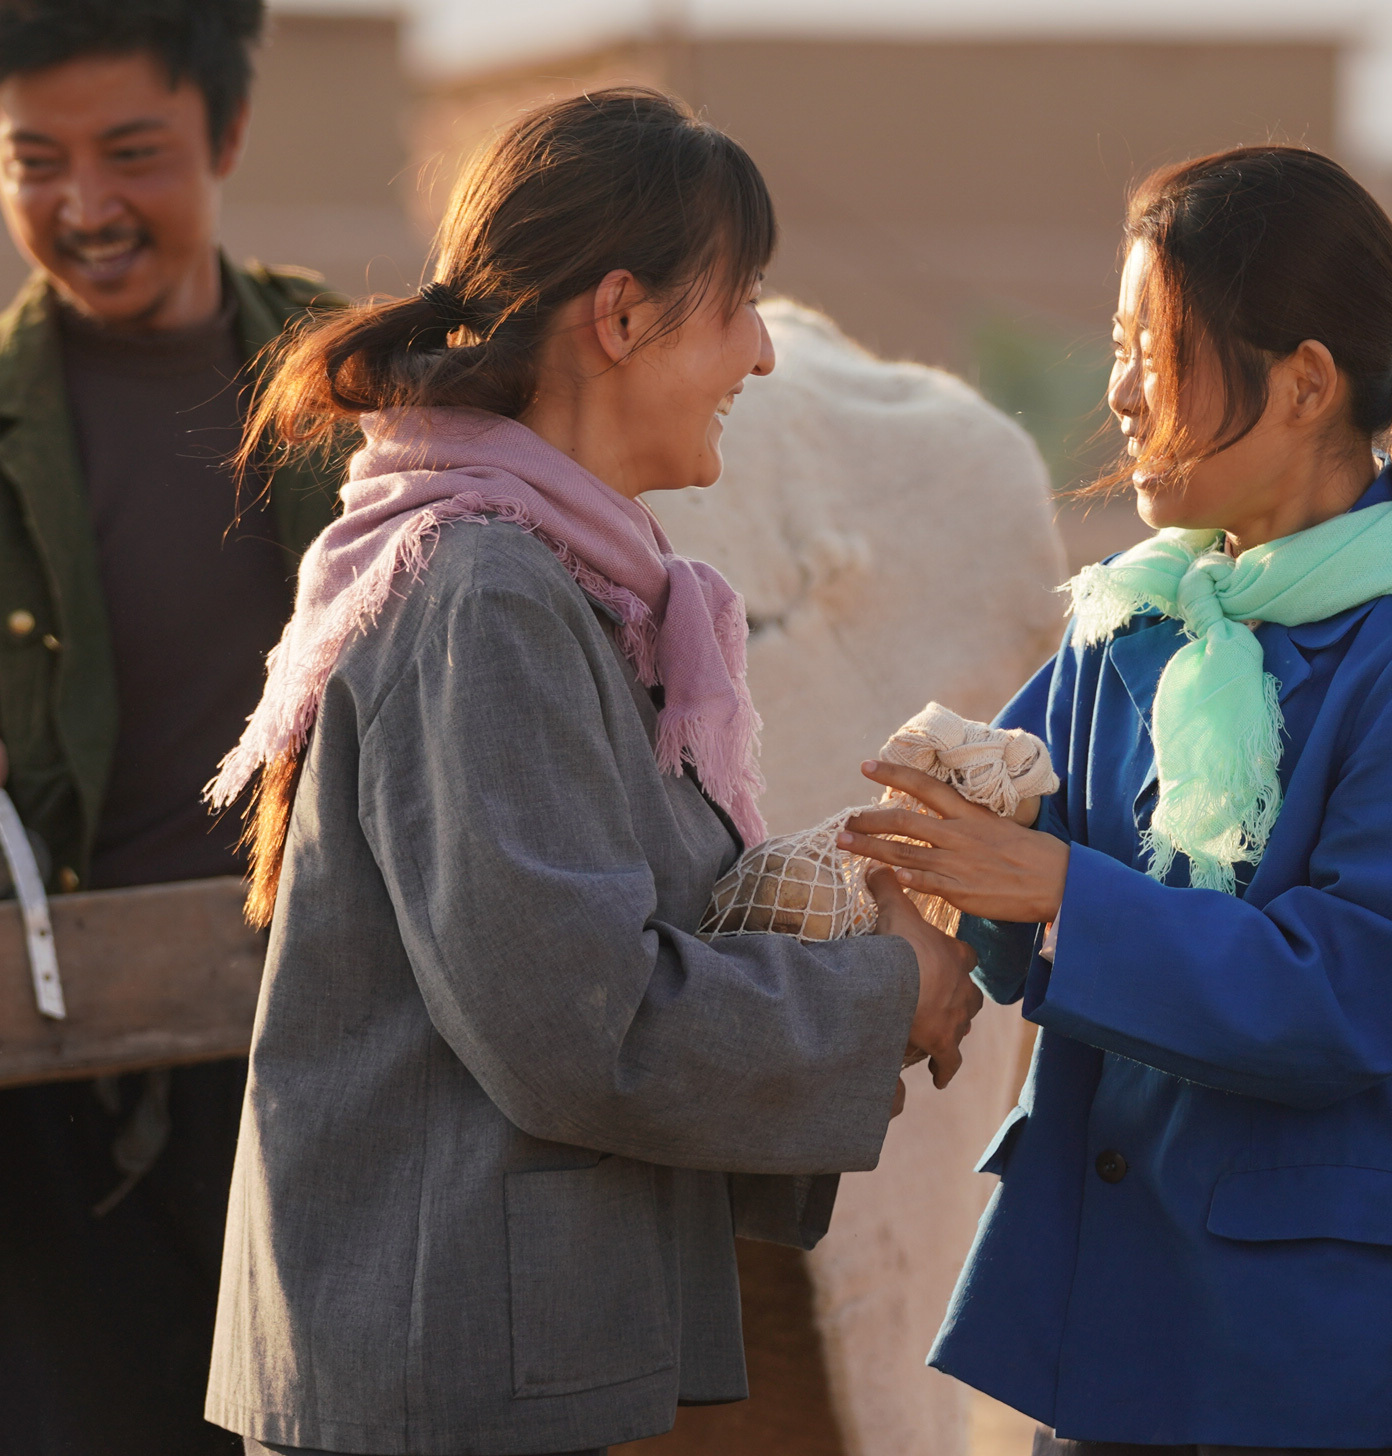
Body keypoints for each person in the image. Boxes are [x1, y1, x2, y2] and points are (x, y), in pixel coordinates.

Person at [199, 88, 984, 1456]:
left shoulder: (553, 586)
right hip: (439, 1381)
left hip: (472, 1363)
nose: (761, 355)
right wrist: (883, 992)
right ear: (621, 318)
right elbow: (581, 1024)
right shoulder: (481, 596)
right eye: (737, 305)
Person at [838, 146, 1392, 1455]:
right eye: (1119, 346)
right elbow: (1016, 899)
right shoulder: (1134, 624)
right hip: (1123, 1342)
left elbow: (1358, 992)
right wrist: (920, 902)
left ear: (1304, 383)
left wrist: (1056, 894)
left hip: (1326, 1366)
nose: (1117, 391)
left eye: (1154, 348)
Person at [0, 3, 344, 1452]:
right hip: (49, 1071)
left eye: (133, 154)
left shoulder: (371, 390)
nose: (86, 207)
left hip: (327, 1041)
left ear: (224, 136)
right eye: (36, 163)